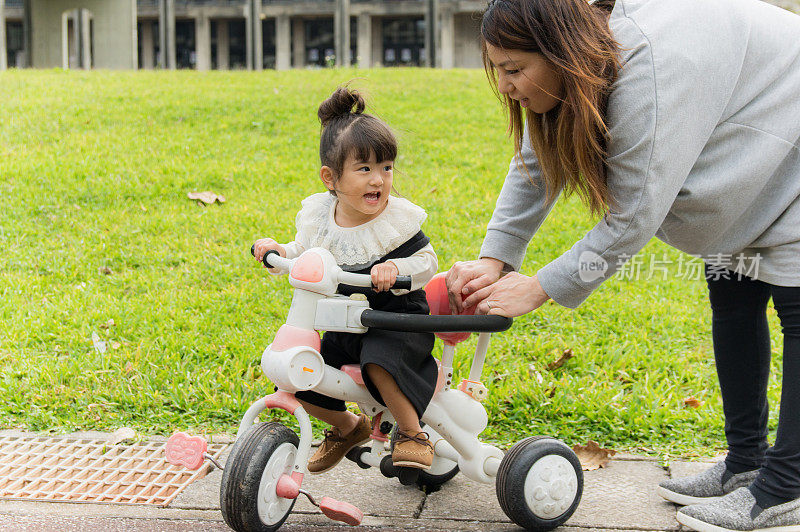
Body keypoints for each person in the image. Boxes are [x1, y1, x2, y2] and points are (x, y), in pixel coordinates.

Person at [445, 0, 800, 530]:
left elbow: (632, 218)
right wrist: (496, 259)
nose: (506, 86)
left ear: (562, 55)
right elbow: (535, 162)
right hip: (754, 135)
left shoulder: (646, 75)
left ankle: (784, 487)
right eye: (497, 69)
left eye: (514, 69)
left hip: (787, 126)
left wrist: (541, 286)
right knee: (734, 295)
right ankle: (744, 464)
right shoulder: (594, 64)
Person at [253, 86, 439, 472]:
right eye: (365, 169)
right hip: (345, 323)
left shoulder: (394, 223)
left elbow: (428, 261)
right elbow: (303, 250)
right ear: (330, 178)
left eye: (386, 168)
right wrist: (279, 252)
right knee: (299, 370)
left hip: (396, 323)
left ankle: (411, 432)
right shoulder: (320, 216)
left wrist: (398, 270)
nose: (379, 180)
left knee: (378, 362)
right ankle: (347, 426)